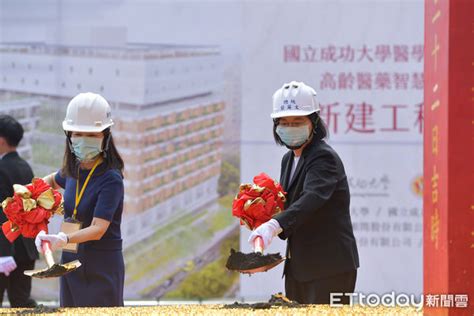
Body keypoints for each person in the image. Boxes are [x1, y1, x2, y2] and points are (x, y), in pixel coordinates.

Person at [249, 81, 359, 304]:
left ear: (314, 122)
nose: (290, 127)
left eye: (298, 121)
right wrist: (260, 215)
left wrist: (273, 225)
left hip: (329, 268)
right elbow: (291, 207)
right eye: (284, 122)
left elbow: (312, 198)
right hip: (299, 267)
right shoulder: (288, 159)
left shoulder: (323, 157)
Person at [35, 92, 125, 307]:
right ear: (69, 136)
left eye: (92, 135)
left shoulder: (111, 178)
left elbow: (98, 228)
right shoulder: (73, 168)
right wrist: (29, 197)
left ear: (106, 136)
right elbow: (49, 182)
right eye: (78, 134)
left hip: (100, 264)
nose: (84, 140)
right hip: (71, 261)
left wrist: (63, 239)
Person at [0, 115, 38, 308]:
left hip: (4, 251)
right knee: (21, 303)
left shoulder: (1, 168)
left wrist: (4, 253)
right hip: (26, 249)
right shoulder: (25, 167)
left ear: (1, 140)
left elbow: (3, 214)